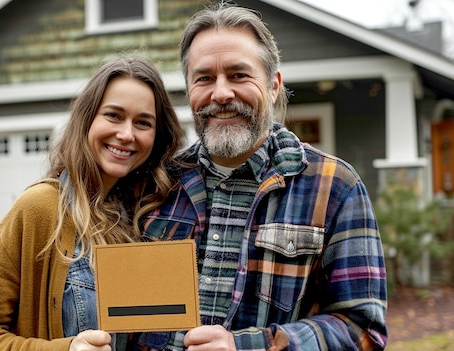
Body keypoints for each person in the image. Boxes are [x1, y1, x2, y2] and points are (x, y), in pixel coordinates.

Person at [135, 2, 388, 351]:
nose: (221, 93)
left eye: (239, 75)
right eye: (204, 78)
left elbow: (362, 331)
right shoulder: (156, 185)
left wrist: (246, 347)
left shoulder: (336, 187)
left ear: (272, 85)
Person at [0, 56, 184, 351]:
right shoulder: (40, 208)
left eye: (142, 123)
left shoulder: (150, 213)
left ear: (156, 136)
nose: (126, 134)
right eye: (113, 115)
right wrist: (67, 348)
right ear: (87, 119)